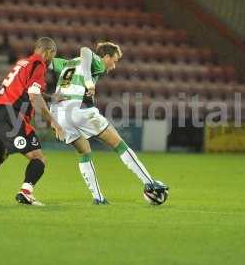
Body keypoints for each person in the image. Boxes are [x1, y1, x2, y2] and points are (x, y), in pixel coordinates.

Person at [49, 42, 168, 204]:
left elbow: (48, 62)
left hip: (60, 115)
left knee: (84, 152)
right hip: (80, 109)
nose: (114, 66)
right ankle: (149, 181)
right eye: (114, 60)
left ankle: (98, 198)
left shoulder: (68, 63)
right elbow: (85, 51)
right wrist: (89, 81)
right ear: (105, 57)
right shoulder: (96, 61)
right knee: (119, 144)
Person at [0, 37, 64, 206]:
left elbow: (25, 91)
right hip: (11, 117)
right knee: (38, 158)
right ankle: (25, 193)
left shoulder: (23, 62)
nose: (50, 61)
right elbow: (34, 97)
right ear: (49, 52)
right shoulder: (38, 64)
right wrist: (53, 121)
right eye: (52, 56)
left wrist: (50, 98)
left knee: (1, 153)